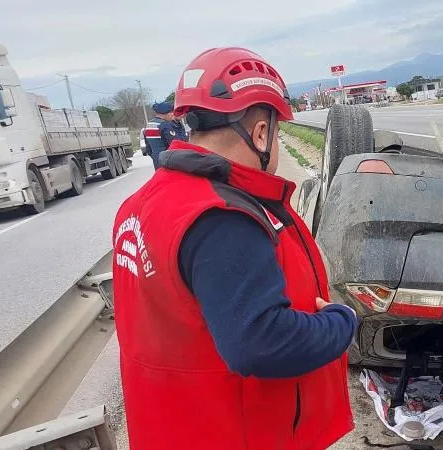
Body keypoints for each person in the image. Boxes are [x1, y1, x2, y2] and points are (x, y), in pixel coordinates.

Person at [111, 47, 358, 450]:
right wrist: (341, 323)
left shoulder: (142, 204)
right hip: (231, 434)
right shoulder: (221, 218)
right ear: (261, 133)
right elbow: (261, 342)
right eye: (276, 131)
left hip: (173, 428)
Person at [142, 102, 186, 169]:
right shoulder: (165, 125)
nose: (173, 115)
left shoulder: (148, 125)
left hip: (157, 161)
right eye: (171, 112)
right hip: (168, 161)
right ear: (165, 113)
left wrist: (155, 156)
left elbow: (148, 148)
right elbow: (175, 144)